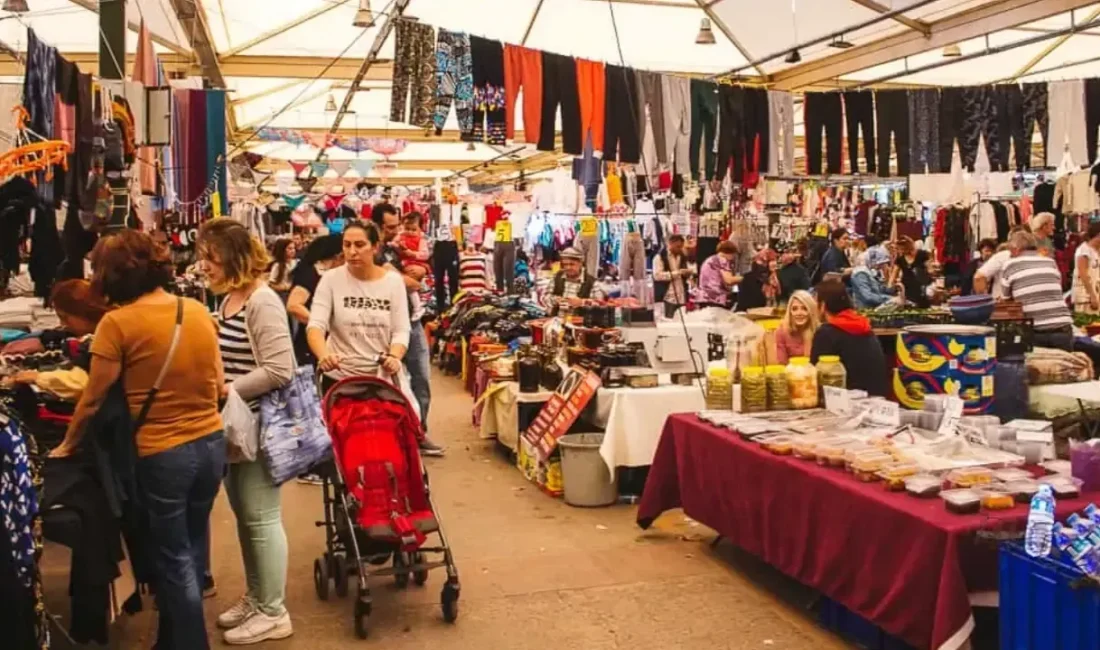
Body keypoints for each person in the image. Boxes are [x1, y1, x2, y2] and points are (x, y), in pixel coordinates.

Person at [50, 230, 226, 650]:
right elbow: (219, 384)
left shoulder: (117, 323)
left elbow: (92, 399)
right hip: (210, 444)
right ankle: (172, 639)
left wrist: (67, 445)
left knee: (174, 560)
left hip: (163, 452)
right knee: (192, 546)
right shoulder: (196, 309)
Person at [198, 219, 295, 645]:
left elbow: (280, 369)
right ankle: (258, 597)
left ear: (232, 256)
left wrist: (226, 388)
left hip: (259, 425)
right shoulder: (232, 299)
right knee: (245, 518)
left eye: (209, 256)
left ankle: (274, 611)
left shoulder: (262, 301)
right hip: (238, 426)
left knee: (262, 518)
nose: (203, 265)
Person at [306, 221, 417, 406]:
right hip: (339, 381)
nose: (352, 251)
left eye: (359, 245)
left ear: (375, 247)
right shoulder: (330, 279)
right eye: (346, 244)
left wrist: (394, 356)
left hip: (381, 380)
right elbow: (316, 325)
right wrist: (324, 355)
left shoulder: (393, 282)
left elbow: (401, 330)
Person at [370, 203, 443, 456]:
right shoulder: (375, 254)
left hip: (412, 321)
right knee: (388, 383)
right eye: (390, 227)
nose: (396, 230)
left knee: (421, 378)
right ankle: (395, 435)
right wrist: (415, 277)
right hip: (385, 325)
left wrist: (421, 270)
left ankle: (418, 432)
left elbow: (415, 275)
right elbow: (407, 282)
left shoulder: (392, 250)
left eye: (396, 225)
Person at [7, 279, 109, 398]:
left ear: (83, 312)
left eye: (65, 317)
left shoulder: (103, 339)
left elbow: (81, 382)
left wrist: (37, 377)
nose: (62, 323)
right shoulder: (94, 334)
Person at [810, 278, 888, 396]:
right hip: (878, 398)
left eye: (815, 302)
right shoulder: (864, 326)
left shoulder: (827, 333)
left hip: (848, 402)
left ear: (823, 305)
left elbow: (815, 374)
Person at [1001, 230, 1074, 351]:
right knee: (1065, 369)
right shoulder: (1050, 262)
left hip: (1035, 331)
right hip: (1063, 327)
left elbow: (1006, 300)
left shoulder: (1010, 265)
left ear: (1016, 248)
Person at [286, 234, 343, 368]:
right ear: (338, 256)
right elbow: (293, 305)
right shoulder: (311, 274)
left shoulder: (333, 276)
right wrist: (320, 323)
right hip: (309, 346)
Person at [540, 246, 604, 313]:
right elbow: (544, 297)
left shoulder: (592, 283)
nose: (568, 267)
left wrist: (582, 302)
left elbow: (600, 305)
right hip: (557, 320)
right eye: (565, 264)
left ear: (580, 263)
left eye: (572, 264)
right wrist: (555, 300)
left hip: (581, 322)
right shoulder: (557, 277)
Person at [652, 234, 695, 318]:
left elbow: (685, 271)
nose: (680, 249)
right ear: (670, 243)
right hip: (667, 296)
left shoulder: (681, 256)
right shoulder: (659, 257)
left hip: (681, 296)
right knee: (668, 322)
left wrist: (688, 274)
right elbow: (657, 276)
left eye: (681, 247)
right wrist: (678, 273)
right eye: (678, 246)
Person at [775, 290, 819, 364]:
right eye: (795, 309)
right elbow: (782, 364)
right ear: (790, 312)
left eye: (804, 308)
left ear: (811, 311)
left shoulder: (819, 331)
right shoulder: (781, 332)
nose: (799, 313)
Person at [696, 240, 741, 309]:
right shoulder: (723, 260)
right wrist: (745, 278)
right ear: (731, 253)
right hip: (715, 299)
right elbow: (729, 280)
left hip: (704, 298)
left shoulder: (710, 259)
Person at [891, 236, 933, 308]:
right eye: (899, 249)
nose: (901, 251)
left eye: (903, 249)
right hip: (906, 286)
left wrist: (930, 273)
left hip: (921, 285)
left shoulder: (922, 255)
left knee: (923, 306)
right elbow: (894, 274)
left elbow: (929, 269)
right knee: (908, 306)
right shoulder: (900, 259)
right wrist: (890, 286)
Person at [1072, 221, 1100, 314]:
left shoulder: (1096, 251)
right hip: (1086, 297)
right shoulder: (1084, 250)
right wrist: (1092, 295)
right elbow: (1082, 274)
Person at [395, 211, 431, 277]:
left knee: (413, 272)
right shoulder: (400, 236)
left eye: (414, 230)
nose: (410, 232)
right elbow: (393, 244)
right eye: (407, 228)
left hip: (417, 263)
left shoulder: (421, 239)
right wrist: (397, 245)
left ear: (420, 229)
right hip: (402, 262)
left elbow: (425, 255)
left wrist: (413, 254)